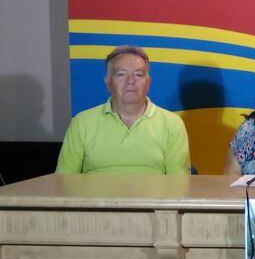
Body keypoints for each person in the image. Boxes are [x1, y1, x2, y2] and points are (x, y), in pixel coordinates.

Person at [56, 45, 190, 174]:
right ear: (108, 82)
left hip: (154, 191)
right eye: (121, 74)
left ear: (148, 83)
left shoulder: (172, 124)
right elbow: (64, 179)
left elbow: (179, 182)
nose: (130, 81)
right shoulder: (82, 122)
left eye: (138, 75)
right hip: (97, 191)